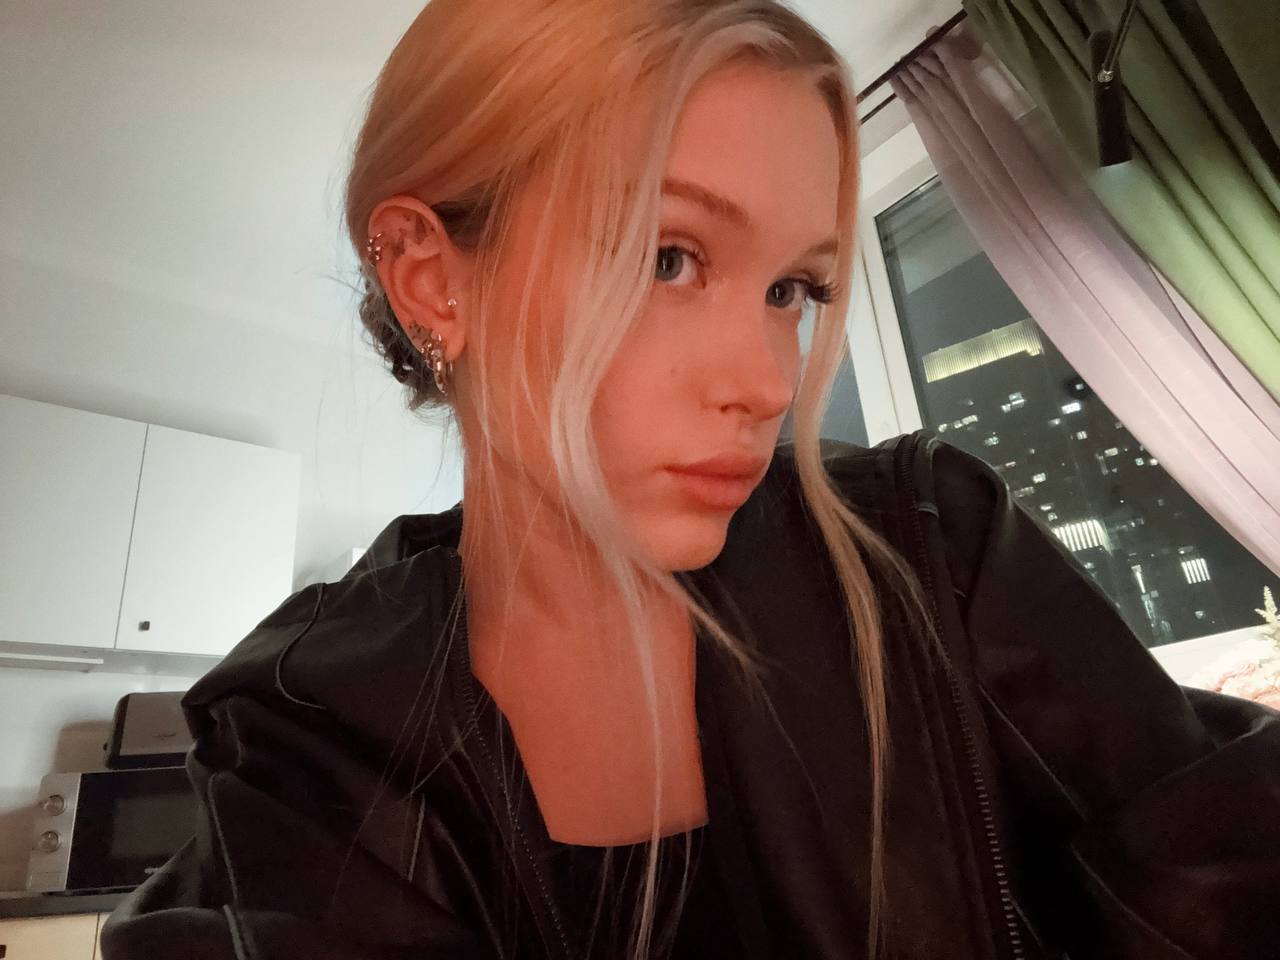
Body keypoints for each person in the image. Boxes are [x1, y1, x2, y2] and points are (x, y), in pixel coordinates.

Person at [100, 1, 1280, 958]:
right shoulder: (302, 739)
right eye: (668, 258)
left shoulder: (926, 550)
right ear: (432, 281)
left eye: (792, 290)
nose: (765, 382)